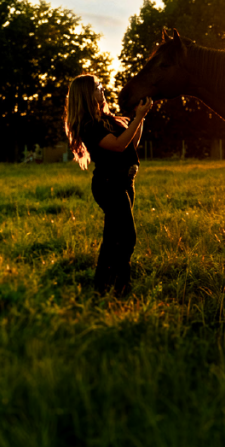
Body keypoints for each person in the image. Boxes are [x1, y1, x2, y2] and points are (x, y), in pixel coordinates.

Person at [64, 74, 153, 295]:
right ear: (87, 94)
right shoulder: (89, 125)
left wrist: (138, 118)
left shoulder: (109, 120)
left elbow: (132, 142)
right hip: (108, 184)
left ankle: (101, 286)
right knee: (127, 236)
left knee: (113, 237)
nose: (102, 88)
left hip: (125, 181)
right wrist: (138, 118)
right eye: (97, 86)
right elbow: (118, 145)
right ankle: (121, 286)